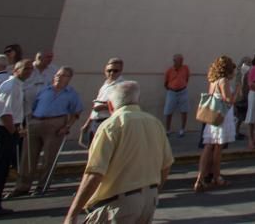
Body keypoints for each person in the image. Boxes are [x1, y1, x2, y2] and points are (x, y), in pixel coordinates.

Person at [63, 81, 173, 224]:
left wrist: (72, 214)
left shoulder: (111, 126)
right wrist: (153, 191)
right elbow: (166, 165)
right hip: (149, 200)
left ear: (110, 105)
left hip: (118, 202)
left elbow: (94, 173)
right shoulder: (155, 123)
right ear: (137, 101)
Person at [12, 66, 83, 196]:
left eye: (63, 75)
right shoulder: (44, 90)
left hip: (56, 123)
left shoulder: (72, 93)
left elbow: (76, 111)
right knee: (28, 156)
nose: (59, 77)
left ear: (69, 78)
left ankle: (42, 186)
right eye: (57, 75)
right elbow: (33, 106)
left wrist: (67, 126)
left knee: (49, 157)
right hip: (36, 121)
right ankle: (22, 186)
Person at [0, 59, 32, 219]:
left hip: (8, 129)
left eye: (31, 69)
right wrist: (13, 132)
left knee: (1, 171)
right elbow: (4, 113)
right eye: (25, 68)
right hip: (3, 131)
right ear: (15, 70)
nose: (29, 71)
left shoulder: (17, 86)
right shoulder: (10, 86)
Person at [196, 55, 237, 192]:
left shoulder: (213, 80)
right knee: (218, 148)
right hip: (222, 117)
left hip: (213, 116)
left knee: (208, 146)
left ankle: (201, 177)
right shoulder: (223, 81)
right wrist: (237, 90)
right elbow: (228, 100)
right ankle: (216, 175)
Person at [82, 58, 124, 142]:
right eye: (109, 70)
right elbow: (96, 104)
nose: (111, 73)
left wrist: (105, 107)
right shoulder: (105, 85)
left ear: (120, 71)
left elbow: (123, 105)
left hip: (108, 122)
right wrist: (87, 123)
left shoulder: (122, 86)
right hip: (95, 122)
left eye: (115, 71)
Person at [24, 51, 58, 121]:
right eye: (48, 57)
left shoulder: (54, 70)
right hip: (26, 106)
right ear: (39, 58)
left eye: (51, 57)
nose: (50, 59)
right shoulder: (27, 68)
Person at [162, 54, 190, 138]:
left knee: (184, 110)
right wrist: (172, 88)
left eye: (182, 60)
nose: (181, 62)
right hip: (172, 92)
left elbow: (187, 79)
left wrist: (182, 85)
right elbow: (165, 83)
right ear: (174, 61)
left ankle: (182, 129)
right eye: (179, 60)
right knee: (168, 111)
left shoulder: (185, 68)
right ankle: (168, 130)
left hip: (183, 91)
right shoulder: (169, 71)